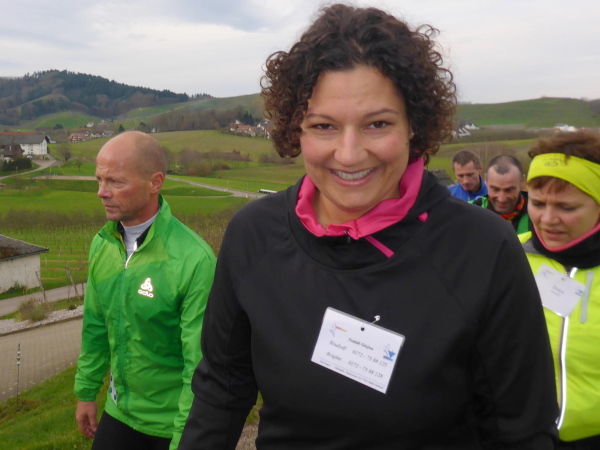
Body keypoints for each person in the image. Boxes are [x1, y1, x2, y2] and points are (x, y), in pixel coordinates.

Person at [180, 4, 558, 449]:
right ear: (297, 130)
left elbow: (522, 431)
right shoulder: (253, 235)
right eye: (324, 126)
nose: (349, 154)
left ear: (414, 124)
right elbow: (220, 393)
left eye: (377, 124)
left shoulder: (482, 248)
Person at [74, 131, 216, 450]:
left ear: (155, 182)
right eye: (99, 180)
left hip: (170, 423)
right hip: (119, 412)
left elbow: (199, 366)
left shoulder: (194, 260)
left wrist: (186, 437)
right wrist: (86, 392)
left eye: (115, 182)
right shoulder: (102, 245)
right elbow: (95, 326)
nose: (101, 192)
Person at [520, 130, 600, 449]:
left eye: (567, 208)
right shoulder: (507, 255)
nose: (547, 219)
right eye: (537, 203)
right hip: (523, 436)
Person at [472, 154, 531, 233]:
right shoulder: (470, 212)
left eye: (509, 190)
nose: (501, 199)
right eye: (495, 189)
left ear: (522, 181)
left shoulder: (537, 216)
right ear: (486, 180)